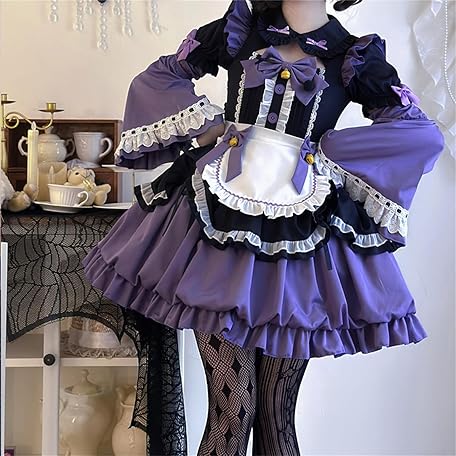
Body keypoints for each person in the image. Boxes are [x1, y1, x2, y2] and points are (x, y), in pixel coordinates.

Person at [83, 0, 444, 454]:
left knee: (275, 413)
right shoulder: (240, 30)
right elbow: (159, 77)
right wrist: (207, 124)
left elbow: (419, 133)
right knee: (232, 408)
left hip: (302, 235)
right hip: (215, 221)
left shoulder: (353, 55)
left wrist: (328, 152)